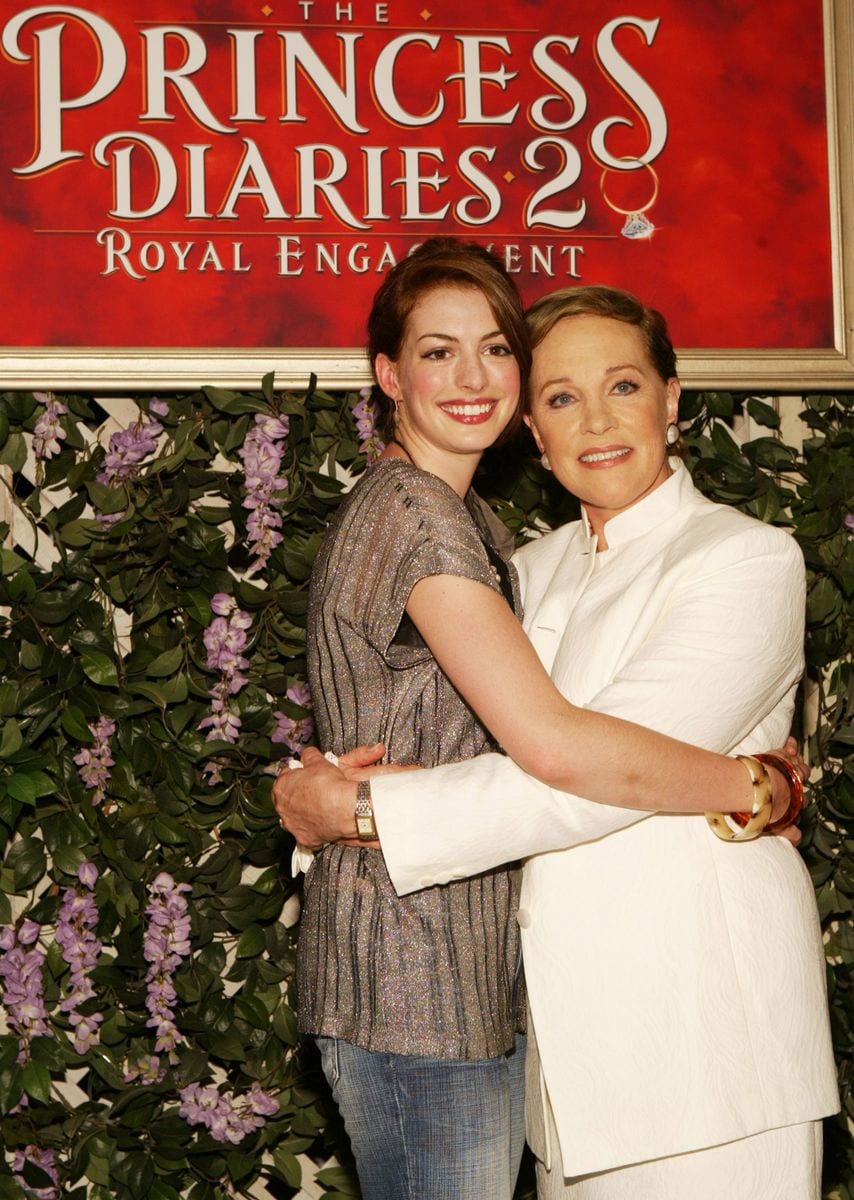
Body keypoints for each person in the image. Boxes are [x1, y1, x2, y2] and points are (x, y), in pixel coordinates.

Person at [276, 272, 838, 1199]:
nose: (598, 423)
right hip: (559, 1068)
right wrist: (321, 792)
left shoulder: (742, 559)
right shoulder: (521, 568)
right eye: (561, 398)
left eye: (623, 386)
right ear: (530, 431)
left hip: (707, 1054)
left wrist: (366, 810)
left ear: (673, 396)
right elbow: (456, 737)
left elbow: (580, 775)